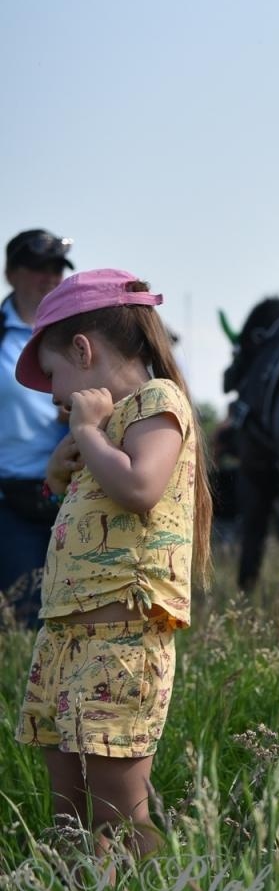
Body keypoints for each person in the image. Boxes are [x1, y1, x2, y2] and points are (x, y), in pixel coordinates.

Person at [12, 269, 211, 856]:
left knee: (121, 815)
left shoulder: (157, 400)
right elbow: (95, 518)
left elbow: (141, 487)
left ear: (83, 348)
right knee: (70, 819)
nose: (52, 394)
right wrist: (58, 474)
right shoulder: (101, 428)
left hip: (122, 639)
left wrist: (89, 434)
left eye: (53, 375)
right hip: (66, 640)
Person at [1, 229, 73, 627]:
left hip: (69, 494)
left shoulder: (75, 333)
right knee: (26, 619)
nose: (49, 277)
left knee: (72, 614)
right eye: (38, 267)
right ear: (10, 274)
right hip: (9, 499)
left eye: (57, 268)